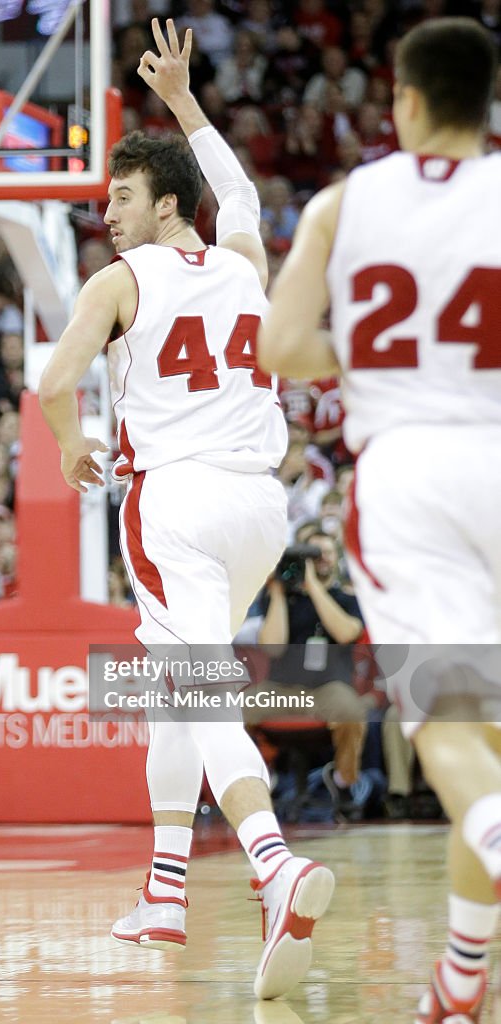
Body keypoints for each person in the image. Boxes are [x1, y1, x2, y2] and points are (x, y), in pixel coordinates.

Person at [39, 19, 334, 1002]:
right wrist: (183, 104)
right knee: (180, 685)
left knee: (197, 688)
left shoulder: (119, 280)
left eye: (121, 195)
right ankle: (164, 892)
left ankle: (269, 859)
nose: (106, 211)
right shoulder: (246, 260)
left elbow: (54, 379)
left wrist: (72, 440)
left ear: (167, 202)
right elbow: (241, 196)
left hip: (174, 502)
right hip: (261, 508)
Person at [257, 18, 501, 1024]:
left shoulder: (341, 203)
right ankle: (456, 980)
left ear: (399, 99)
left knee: (447, 720)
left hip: (407, 473)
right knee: (484, 739)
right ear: (483, 103)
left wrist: (368, 354)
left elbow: (280, 344)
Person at [237, 531, 367, 822]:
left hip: (328, 689)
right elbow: (272, 647)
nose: (317, 560)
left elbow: (346, 633)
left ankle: (344, 782)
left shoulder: (345, 598)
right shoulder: (280, 598)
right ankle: (257, 775)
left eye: (324, 553)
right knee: (234, 710)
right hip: (282, 688)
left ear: (336, 558)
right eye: (309, 554)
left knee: (351, 712)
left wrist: (314, 587)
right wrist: (279, 592)